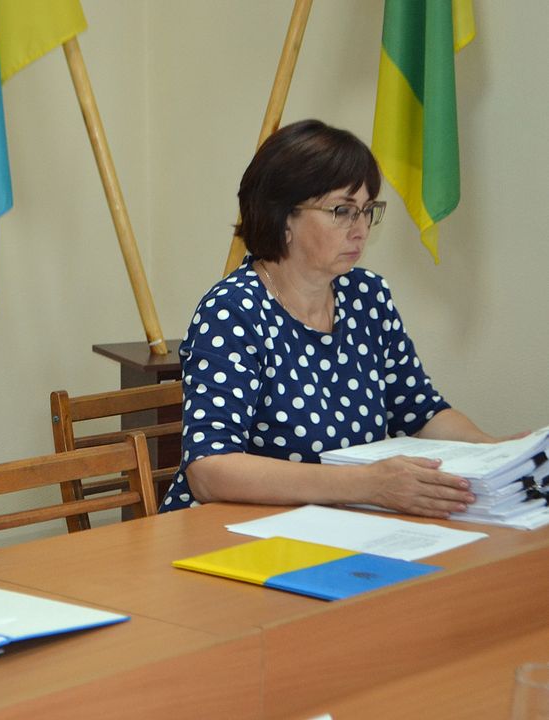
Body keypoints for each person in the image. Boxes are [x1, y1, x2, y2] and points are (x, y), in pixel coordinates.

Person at [160, 119, 501, 519]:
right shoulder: (233, 311)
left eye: (367, 211)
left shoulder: (367, 295)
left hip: (338, 522)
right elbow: (210, 470)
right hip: (232, 530)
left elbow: (420, 412)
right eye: (343, 211)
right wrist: (368, 484)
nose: (361, 230)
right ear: (284, 216)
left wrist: (498, 453)